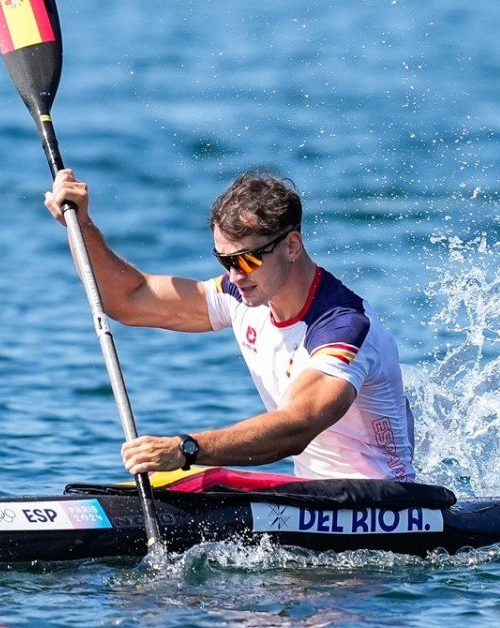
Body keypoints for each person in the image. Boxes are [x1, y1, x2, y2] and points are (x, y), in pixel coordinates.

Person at [46, 168, 416, 481]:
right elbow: (127, 299)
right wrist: (81, 226)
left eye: (248, 260)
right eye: (225, 261)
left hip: (383, 506)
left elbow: (297, 426)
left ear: (291, 246)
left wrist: (185, 449)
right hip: (314, 500)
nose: (235, 275)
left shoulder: (343, 327)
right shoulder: (241, 296)